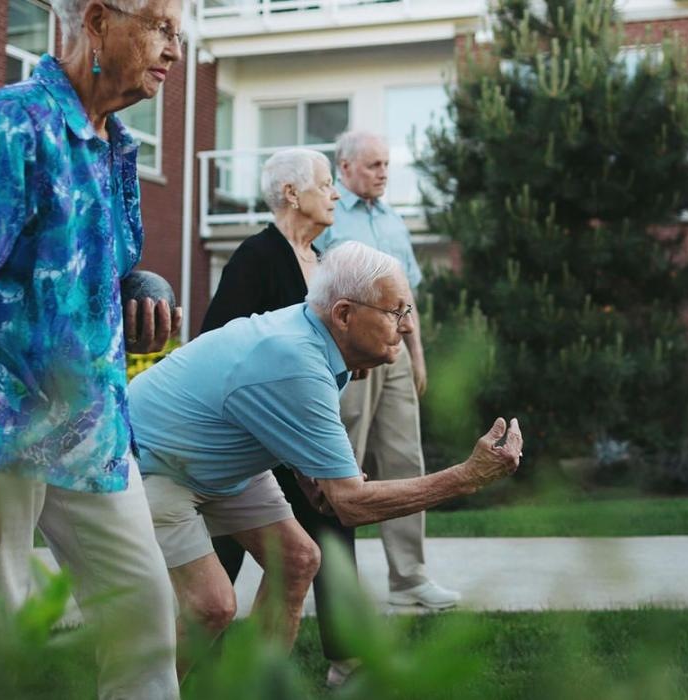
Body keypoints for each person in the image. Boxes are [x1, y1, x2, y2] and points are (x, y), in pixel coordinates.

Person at [0, 1, 184, 697]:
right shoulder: (3, 129)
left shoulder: (114, 145)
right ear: (99, 20)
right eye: (161, 27)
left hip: (87, 430)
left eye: (179, 35)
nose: (174, 49)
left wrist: (142, 287)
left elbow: (104, 266)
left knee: (144, 615)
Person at [127, 242, 524, 677]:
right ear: (344, 314)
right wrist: (466, 478)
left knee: (298, 561)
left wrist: (308, 471)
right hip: (154, 460)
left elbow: (269, 411)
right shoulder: (299, 361)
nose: (408, 327)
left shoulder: (318, 344)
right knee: (211, 605)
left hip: (217, 462)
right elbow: (350, 504)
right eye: (396, 312)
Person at [199, 148, 362, 686]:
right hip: (249, 440)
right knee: (227, 548)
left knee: (334, 527)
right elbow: (217, 346)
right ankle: (194, 651)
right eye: (326, 182)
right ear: (292, 194)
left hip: (307, 433)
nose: (336, 192)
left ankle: (347, 661)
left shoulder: (327, 261)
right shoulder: (255, 258)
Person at [315, 130, 459, 610]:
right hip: (351, 360)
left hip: (395, 358)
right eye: (374, 165)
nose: (383, 174)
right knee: (343, 465)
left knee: (404, 460)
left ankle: (410, 577)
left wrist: (417, 355)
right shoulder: (330, 219)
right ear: (346, 167)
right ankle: (332, 579)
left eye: (385, 166)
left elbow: (407, 294)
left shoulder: (393, 219)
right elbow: (316, 295)